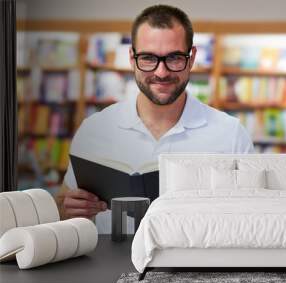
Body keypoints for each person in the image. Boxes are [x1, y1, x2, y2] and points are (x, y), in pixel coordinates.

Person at [55, 4, 254, 233]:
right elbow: (63, 206)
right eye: (148, 58)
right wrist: (69, 208)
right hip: (107, 264)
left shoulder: (230, 134)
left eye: (175, 58)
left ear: (192, 58)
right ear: (132, 57)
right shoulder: (94, 129)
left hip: (195, 265)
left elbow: (249, 220)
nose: (161, 72)